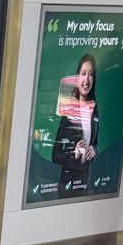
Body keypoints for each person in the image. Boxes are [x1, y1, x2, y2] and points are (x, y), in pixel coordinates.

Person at [50, 52, 99, 198]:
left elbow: (96, 142)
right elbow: (55, 155)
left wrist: (94, 150)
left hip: (85, 180)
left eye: (90, 74)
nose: (87, 79)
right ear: (77, 77)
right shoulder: (68, 108)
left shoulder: (95, 107)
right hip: (68, 183)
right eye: (83, 73)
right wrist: (74, 153)